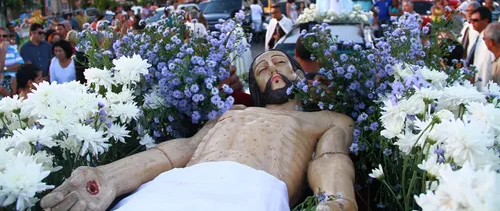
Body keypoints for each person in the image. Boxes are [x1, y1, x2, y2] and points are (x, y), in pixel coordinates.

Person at [41, 50, 357, 211]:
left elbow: (330, 158)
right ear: (255, 87)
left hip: (249, 192)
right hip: (172, 187)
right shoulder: (230, 113)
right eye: (262, 69)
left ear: (299, 74)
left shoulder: (326, 119)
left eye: (280, 63)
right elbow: (182, 150)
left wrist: (337, 201)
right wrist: (107, 177)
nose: (272, 69)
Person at [468, 7, 494, 91]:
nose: (472, 23)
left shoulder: (491, 40)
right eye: (471, 20)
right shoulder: (479, 36)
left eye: (475, 20)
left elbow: (487, 67)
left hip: (486, 88)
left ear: (486, 21)